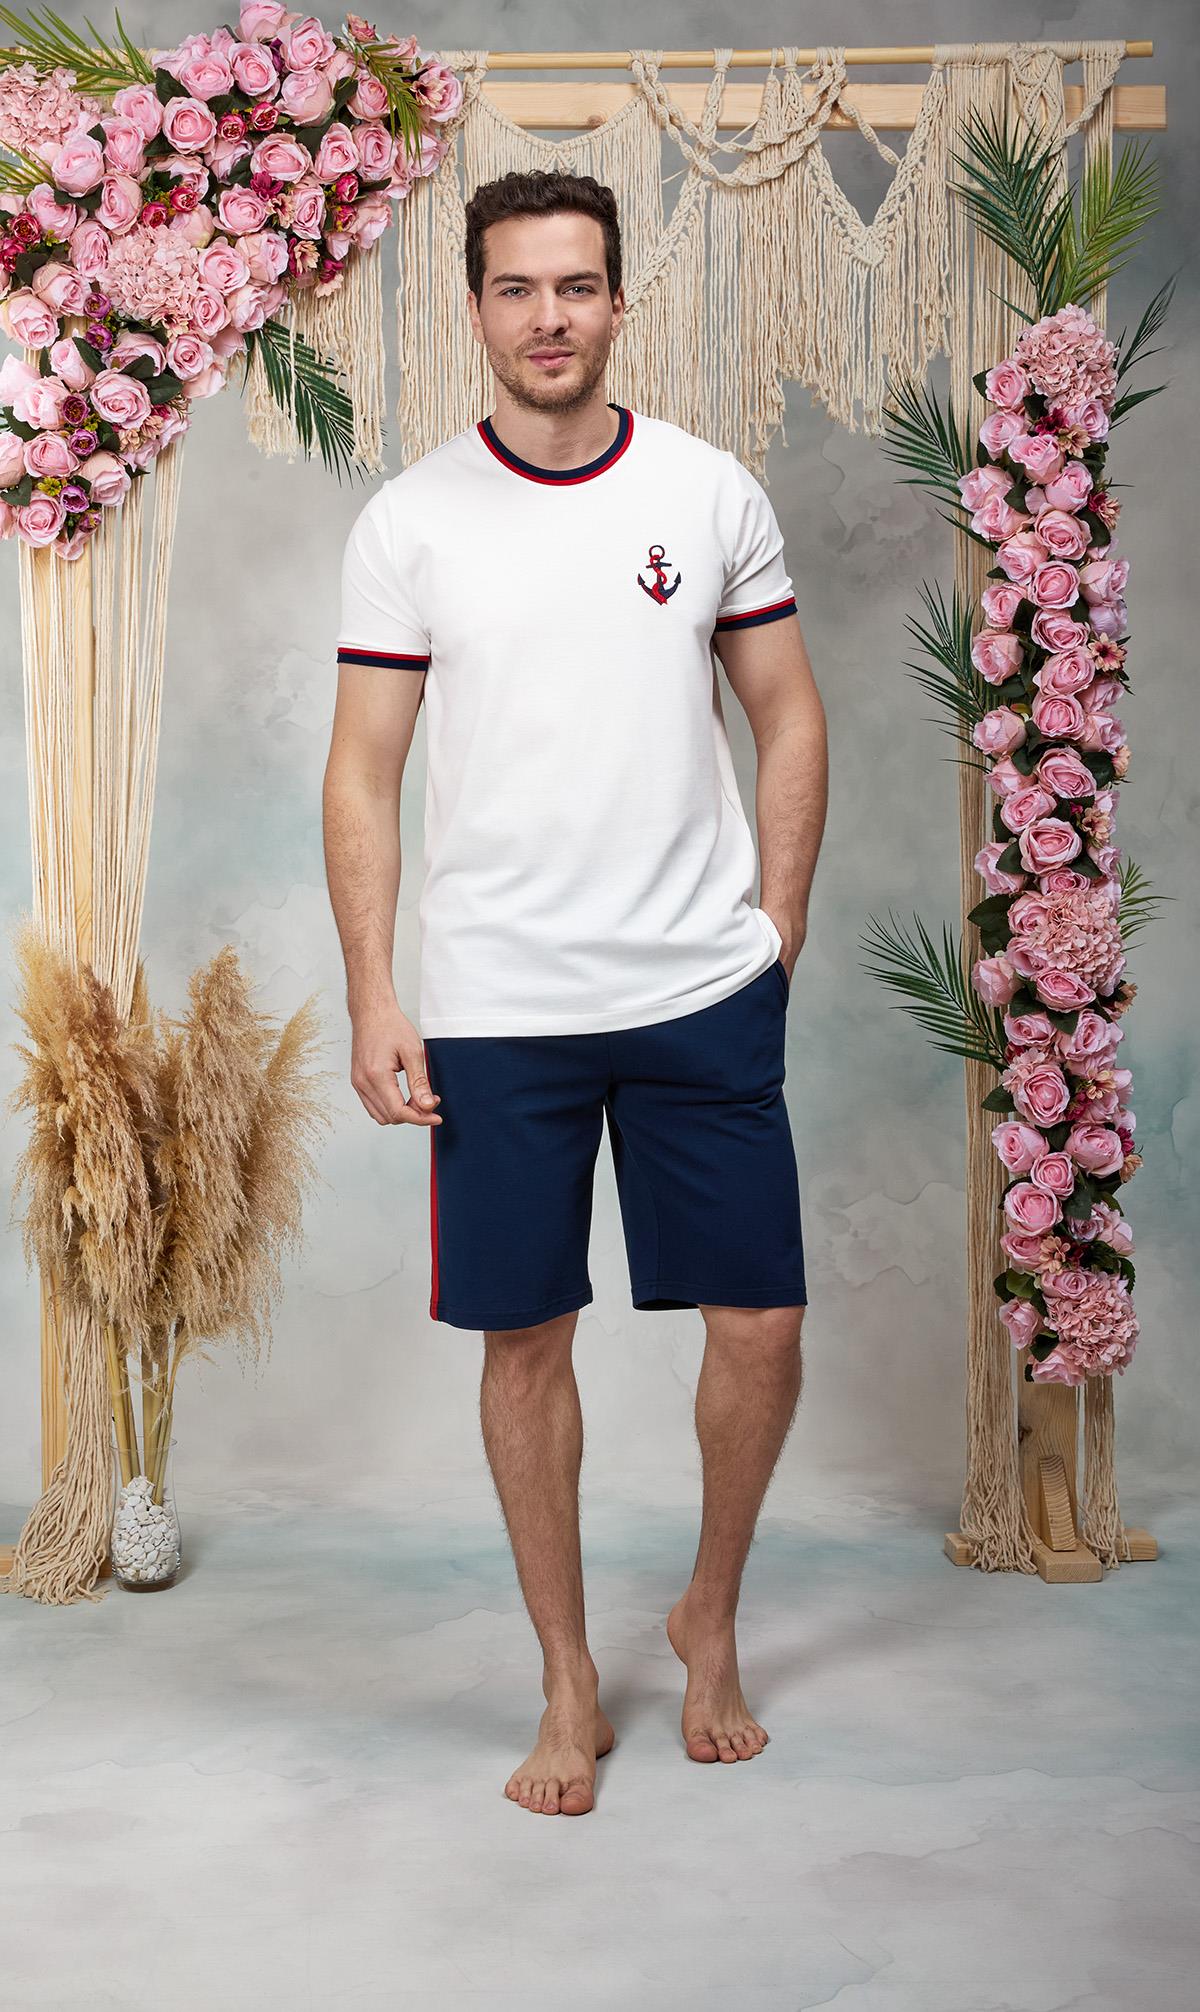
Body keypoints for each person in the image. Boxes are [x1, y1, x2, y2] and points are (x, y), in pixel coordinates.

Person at [323, 169, 828, 1817]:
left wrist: (778, 924)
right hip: (496, 1006)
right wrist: (374, 991)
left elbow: (789, 712)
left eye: (578, 285)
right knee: (525, 1338)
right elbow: (363, 769)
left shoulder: (706, 491)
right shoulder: (410, 522)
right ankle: (564, 1676)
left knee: (762, 1325)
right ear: (476, 306)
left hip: (698, 985)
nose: (551, 317)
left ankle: (709, 1617)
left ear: (619, 301)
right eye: (518, 288)